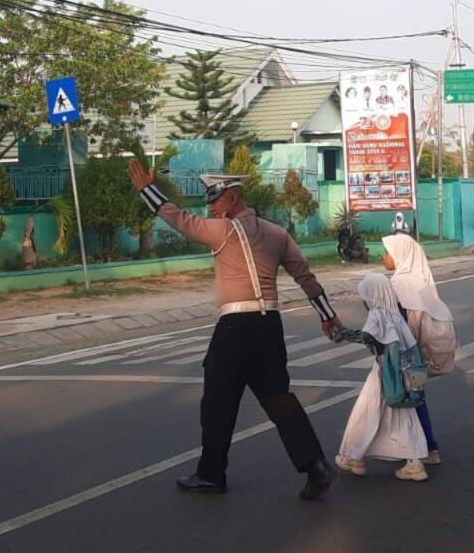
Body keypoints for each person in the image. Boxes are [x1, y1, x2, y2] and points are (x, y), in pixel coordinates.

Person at [128, 160, 341, 499]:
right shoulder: (277, 233)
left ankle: (211, 474)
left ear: (233, 198)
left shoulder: (224, 231)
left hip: (235, 328)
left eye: (215, 199)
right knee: (280, 400)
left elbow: (178, 219)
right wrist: (328, 316)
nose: (210, 207)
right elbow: (305, 277)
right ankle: (316, 466)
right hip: (270, 326)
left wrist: (145, 190)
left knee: (217, 403)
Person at [332, 274, 429, 481]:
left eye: (365, 295)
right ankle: (414, 462)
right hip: (402, 375)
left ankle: (352, 456)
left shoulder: (378, 315)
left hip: (384, 374)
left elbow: (370, 338)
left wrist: (343, 333)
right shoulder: (395, 315)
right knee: (403, 416)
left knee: (365, 413)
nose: (364, 300)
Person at [382, 232, 457, 464]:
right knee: (416, 398)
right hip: (418, 356)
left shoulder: (398, 285)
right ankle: (427, 447)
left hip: (404, 356)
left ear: (400, 255)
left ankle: (419, 451)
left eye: (387, 252)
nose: (383, 256)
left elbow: (399, 324)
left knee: (405, 400)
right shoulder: (420, 281)